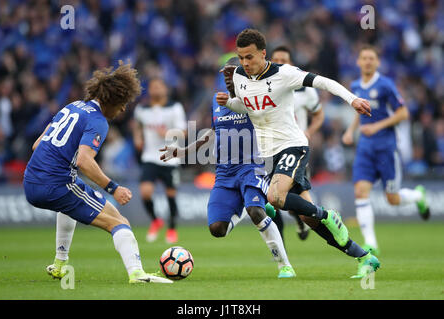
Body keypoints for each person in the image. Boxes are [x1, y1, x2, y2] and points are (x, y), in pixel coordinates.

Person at [217, 28, 378, 279]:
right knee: (308, 217)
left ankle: (328, 215)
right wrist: (228, 102)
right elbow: (246, 106)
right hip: (270, 155)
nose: (245, 63)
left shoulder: (285, 73)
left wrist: (352, 99)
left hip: (293, 145)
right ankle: (364, 257)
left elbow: (324, 82)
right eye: (241, 58)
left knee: (275, 198)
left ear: (263, 53)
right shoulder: (238, 75)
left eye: (250, 57)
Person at [23, 62, 172, 284]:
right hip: (56, 184)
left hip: (30, 181)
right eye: (122, 104)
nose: (122, 110)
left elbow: (37, 145)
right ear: (112, 100)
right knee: (118, 221)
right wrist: (113, 187)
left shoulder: (71, 106)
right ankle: (137, 274)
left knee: (69, 206)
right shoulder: (98, 121)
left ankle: (59, 264)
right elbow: (84, 160)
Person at [160, 56, 296, 279]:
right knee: (217, 229)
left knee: (257, 213)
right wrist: (183, 151)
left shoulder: (256, 97)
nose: (228, 76)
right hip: (224, 172)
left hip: (253, 166)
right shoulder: (217, 100)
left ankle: (285, 265)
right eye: (225, 72)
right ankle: (247, 204)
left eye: (233, 71)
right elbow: (213, 132)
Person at [342, 45, 430, 255]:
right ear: (358, 62)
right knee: (360, 192)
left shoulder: (386, 85)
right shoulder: (356, 85)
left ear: (378, 62)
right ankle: (371, 243)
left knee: (393, 199)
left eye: (372, 58)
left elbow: (403, 114)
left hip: (386, 148)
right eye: (364, 58)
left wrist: (377, 126)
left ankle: (418, 196)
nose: (368, 61)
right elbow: (359, 110)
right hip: (365, 148)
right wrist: (351, 130)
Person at [270, 45, 325, 242]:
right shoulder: (264, 87)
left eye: (283, 60)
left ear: (291, 63)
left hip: (295, 150)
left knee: (292, 200)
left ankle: (311, 219)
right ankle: (280, 245)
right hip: (272, 149)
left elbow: (319, 114)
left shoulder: (304, 89)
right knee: (273, 201)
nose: (279, 62)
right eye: (275, 59)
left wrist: (309, 131)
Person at [132, 78, 187, 244]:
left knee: (170, 194)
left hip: (170, 157)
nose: (155, 90)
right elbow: (137, 125)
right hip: (150, 156)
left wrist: (168, 133)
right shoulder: (142, 109)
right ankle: (156, 220)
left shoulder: (174, 108)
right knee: (145, 192)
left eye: (158, 87)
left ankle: (171, 229)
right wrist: (137, 138)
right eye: (152, 87)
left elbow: (184, 132)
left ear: (165, 89)